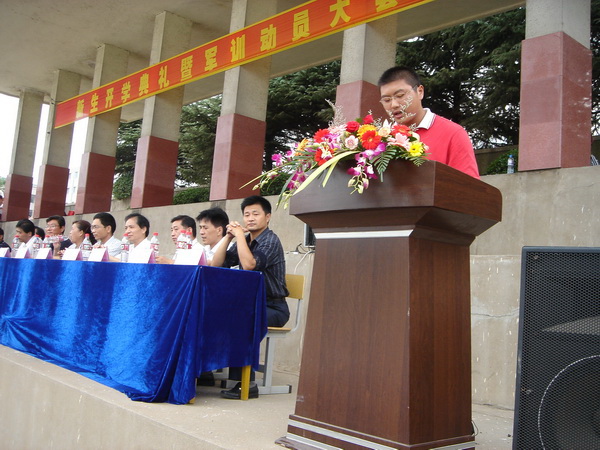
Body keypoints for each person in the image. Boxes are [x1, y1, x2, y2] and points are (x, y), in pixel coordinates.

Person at [211, 195, 289, 400]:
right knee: (215, 314)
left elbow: (249, 265)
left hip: (274, 307)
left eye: (256, 214)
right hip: (251, 305)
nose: (250, 218)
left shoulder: (270, 240)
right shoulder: (244, 240)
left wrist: (238, 236)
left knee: (242, 321)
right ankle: (206, 372)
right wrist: (228, 237)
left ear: (268, 217)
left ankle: (246, 383)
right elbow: (216, 264)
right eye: (247, 214)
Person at [378, 66, 480, 179]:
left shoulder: (453, 133)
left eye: (400, 96)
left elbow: (469, 188)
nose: (394, 105)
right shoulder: (381, 139)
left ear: (420, 91)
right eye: (387, 100)